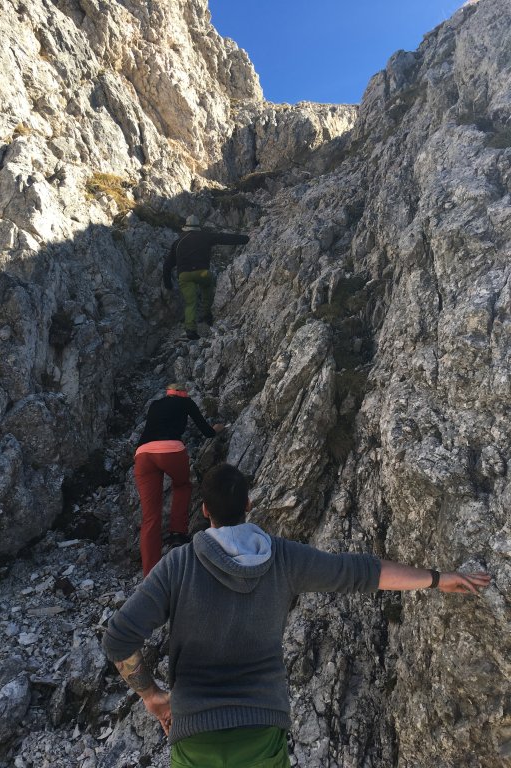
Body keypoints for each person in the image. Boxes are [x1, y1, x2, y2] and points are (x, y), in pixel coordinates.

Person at [103, 463, 491, 767]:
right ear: (249, 506)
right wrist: (438, 578)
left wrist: (152, 695)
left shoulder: (179, 566)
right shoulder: (284, 559)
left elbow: (119, 638)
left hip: (194, 737)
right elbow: (360, 572)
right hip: (262, 733)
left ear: (205, 511)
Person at [134, 383, 224, 575]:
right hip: (171, 451)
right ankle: (178, 532)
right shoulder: (186, 402)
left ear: (168, 393)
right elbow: (206, 430)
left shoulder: (155, 404)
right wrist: (216, 429)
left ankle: (149, 573)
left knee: (150, 517)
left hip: (143, 455)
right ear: (183, 393)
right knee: (182, 485)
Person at [163, 215, 250, 340]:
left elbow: (167, 265)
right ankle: (207, 314)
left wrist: (168, 284)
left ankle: (191, 331)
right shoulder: (205, 236)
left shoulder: (177, 243)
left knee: (190, 302)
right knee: (207, 287)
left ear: (186, 228)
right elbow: (223, 238)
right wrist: (245, 239)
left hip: (185, 275)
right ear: (198, 227)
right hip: (202, 273)